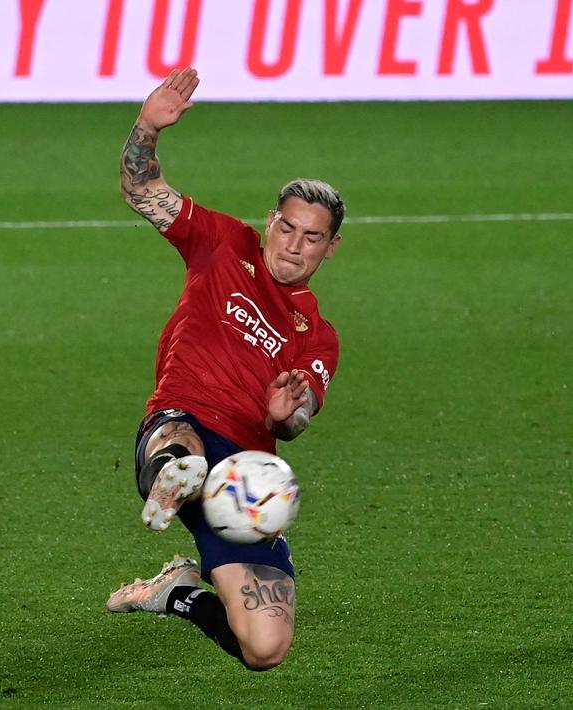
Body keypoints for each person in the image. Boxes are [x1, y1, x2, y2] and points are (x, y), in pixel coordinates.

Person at [104, 68, 343, 671]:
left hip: (246, 478)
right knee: (179, 442)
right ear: (270, 220)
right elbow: (142, 189)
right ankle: (172, 473)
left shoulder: (317, 336)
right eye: (286, 227)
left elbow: (301, 412)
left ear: (329, 248)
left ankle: (176, 593)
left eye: (311, 238)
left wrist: (286, 418)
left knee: (264, 649)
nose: (293, 244)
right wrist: (147, 127)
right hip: (184, 416)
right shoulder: (222, 243)